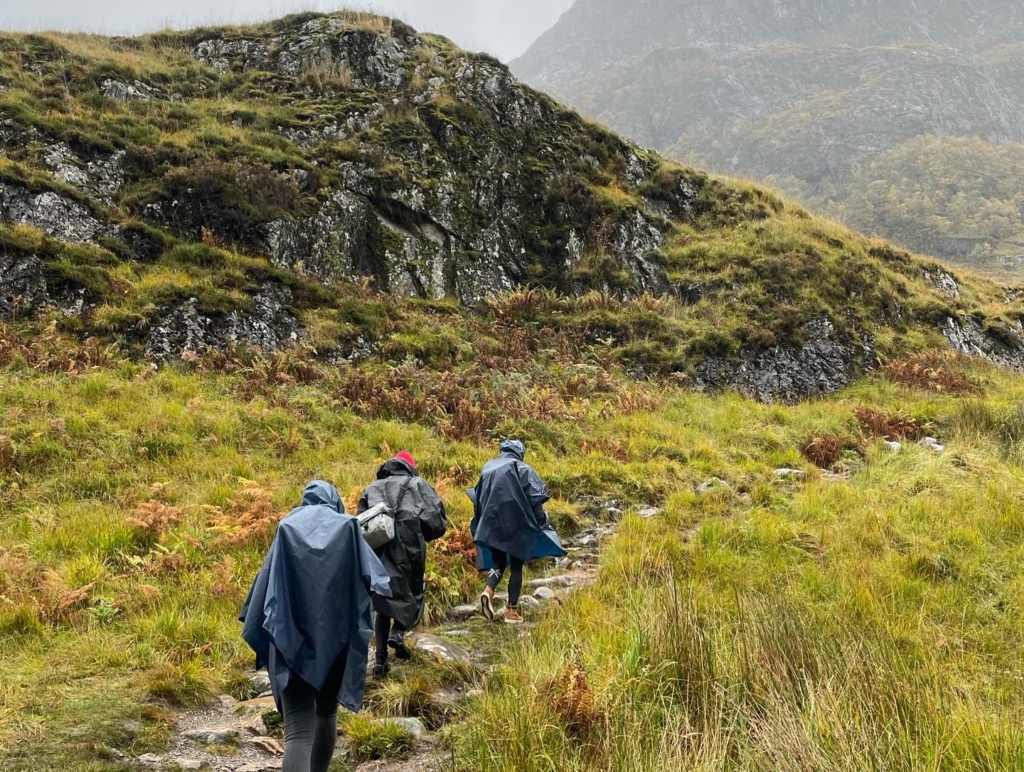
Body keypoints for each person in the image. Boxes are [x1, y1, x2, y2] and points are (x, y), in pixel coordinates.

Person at [239, 481, 391, 772]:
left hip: (289, 641)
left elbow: (263, 593)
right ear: (335, 502)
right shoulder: (347, 527)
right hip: (335, 643)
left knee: (299, 731)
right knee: (326, 716)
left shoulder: (286, 528)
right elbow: (377, 581)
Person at [358, 451, 447, 678]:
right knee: (413, 592)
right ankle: (398, 633)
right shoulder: (418, 484)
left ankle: (380, 662)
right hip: (410, 548)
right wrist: (422, 533)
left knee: (383, 601)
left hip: (379, 549)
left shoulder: (372, 488)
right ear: (410, 467)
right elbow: (436, 521)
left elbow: (360, 523)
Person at [468, 439, 565, 624]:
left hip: (491, 523)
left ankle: (488, 591)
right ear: (520, 452)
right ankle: (511, 611)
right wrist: (542, 521)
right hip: (517, 524)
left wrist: (480, 523)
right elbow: (535, 498)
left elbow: (477, 497)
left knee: (498, 561)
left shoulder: (488, 467)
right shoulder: (522, 468)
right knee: (516, 565)